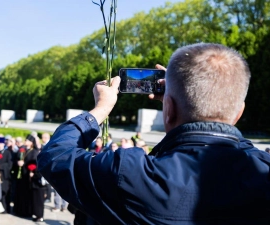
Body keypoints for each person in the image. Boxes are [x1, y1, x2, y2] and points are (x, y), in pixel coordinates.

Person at [37, 43, 270, 224]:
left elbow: (55, 156)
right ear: (239, 112)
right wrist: (178, 96)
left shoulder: (134, 174)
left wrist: (101, 109)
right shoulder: (263, 170)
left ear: (167, 109)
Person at [14, 134, 44, 221]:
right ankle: (20, 210)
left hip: (28, 176)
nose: (25, 141)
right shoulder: (22, 149)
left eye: (27, 140)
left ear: (31, 142)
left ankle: (27, 212)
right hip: (21, 176)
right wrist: (18, 162)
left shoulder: (34, 152)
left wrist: (24, 166)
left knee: (27, 196)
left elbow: (32, 164)